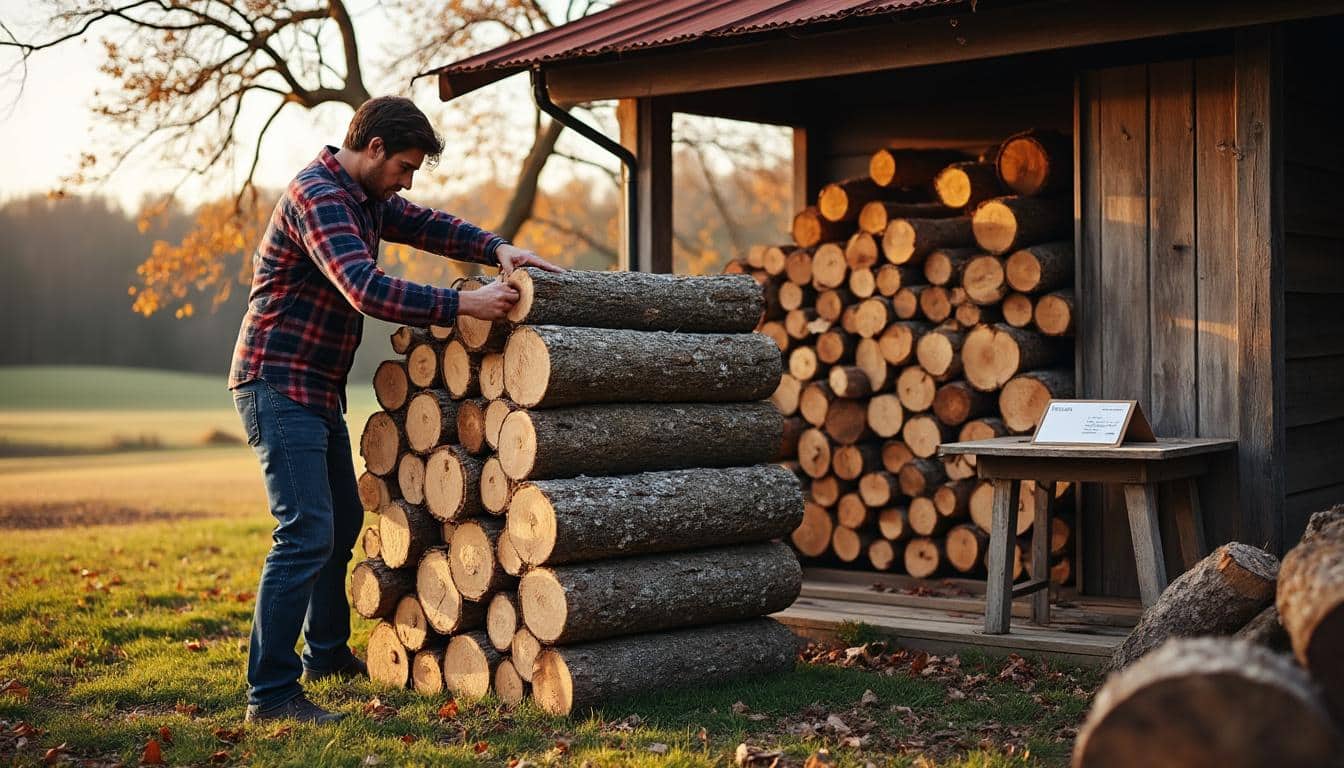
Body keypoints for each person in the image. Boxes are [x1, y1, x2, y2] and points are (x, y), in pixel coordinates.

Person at [227, 96, 563, 724]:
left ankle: (324, 655)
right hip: (276, 381)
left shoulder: (366, 199)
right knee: (304, 533)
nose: (407, 181)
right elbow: (365, 287)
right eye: (404, 166)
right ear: (374, 148)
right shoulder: (318, 198)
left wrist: (498, 248)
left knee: (339, 521)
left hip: (313, 388)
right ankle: (270, 694)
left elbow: (430, 226)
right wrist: (464, 304)